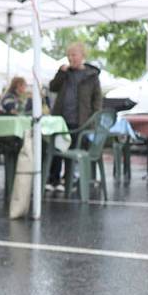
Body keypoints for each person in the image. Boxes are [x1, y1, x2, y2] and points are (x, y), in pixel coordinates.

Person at [45, 42, 102, 191]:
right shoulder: (65, 73)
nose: (70, 58)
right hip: (61, 120)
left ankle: (69, 179)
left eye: (74, 55)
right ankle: (53, 179)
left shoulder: (91, 76)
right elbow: (53, 87)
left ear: (82, 55)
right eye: (68, 55)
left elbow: (97, 99)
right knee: (57, 148)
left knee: (72, 150)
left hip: (80, 121)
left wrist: (94, 118)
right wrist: (61, 73)